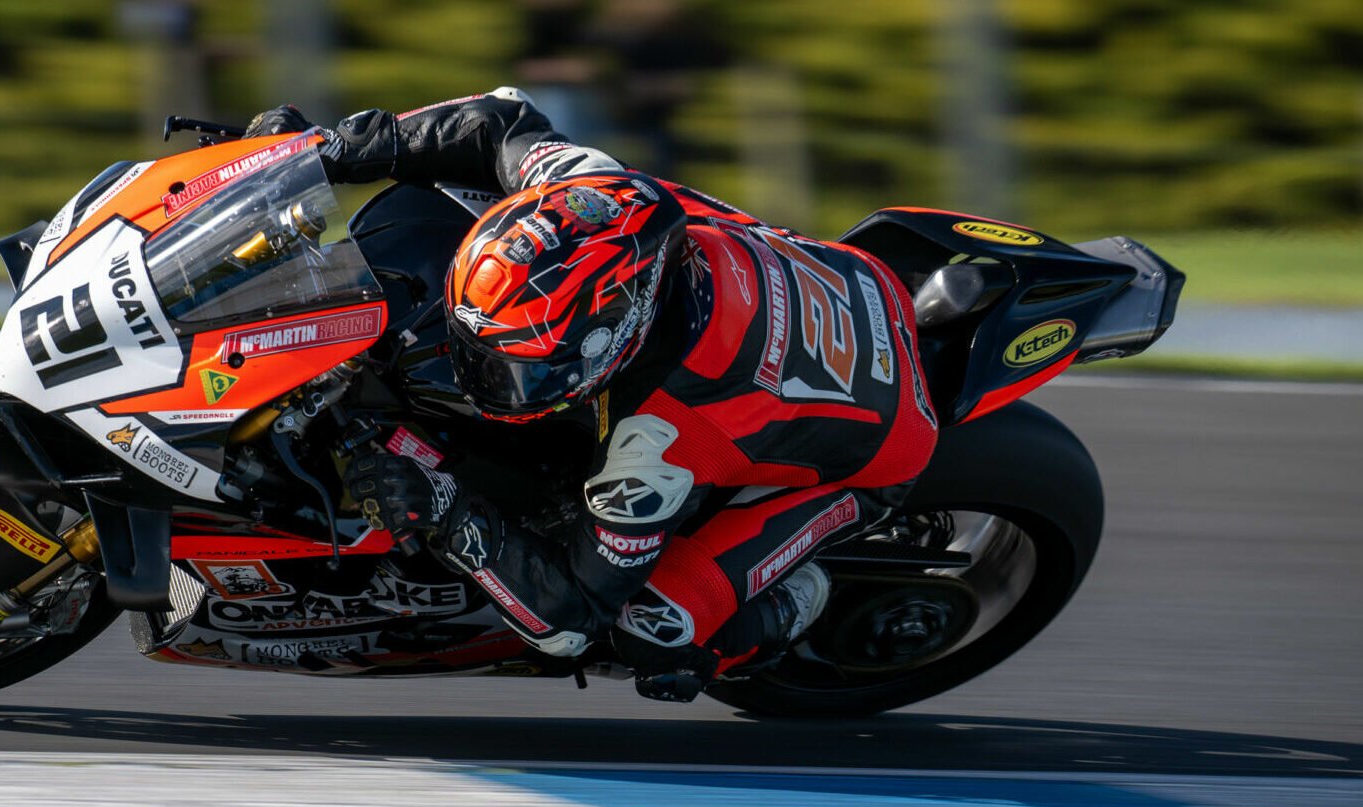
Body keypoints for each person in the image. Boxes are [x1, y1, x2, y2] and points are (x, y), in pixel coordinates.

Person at [244, 89, 938, 702]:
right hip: (852, 280)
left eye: (515, 369)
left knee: (654, 630)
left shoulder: (654, 449)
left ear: (618, 335)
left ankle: (792, 605)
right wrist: (329, 153)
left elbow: (573, 618)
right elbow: (498, 121)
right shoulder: (591, 196)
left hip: (882, 449)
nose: (483, 381)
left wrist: (443, 507)